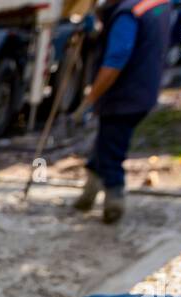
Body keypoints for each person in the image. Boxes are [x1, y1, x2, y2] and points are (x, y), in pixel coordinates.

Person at [73, 0, 173, 223]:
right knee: (106, 143)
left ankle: (114, 202)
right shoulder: (155, 5)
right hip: (144, 91)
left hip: (124, 96)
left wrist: (89, 99)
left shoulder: (127, 14)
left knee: (111, 150)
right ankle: (88, 194)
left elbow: (116, 59)